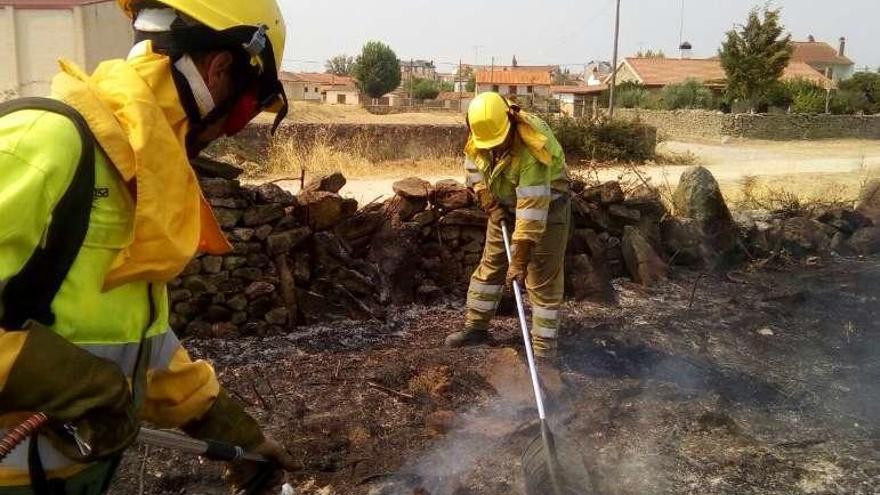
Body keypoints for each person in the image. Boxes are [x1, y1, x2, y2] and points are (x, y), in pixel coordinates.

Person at [0, 1, 296, 493]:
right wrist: (63, 380)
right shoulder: (40, 142)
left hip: (76, 476)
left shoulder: (143, 168)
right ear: (219, 70)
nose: (228, 132)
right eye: (246, 109)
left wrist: (219, 422)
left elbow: (135, 337)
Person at [445, 92, 571, 387]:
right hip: (506, 204)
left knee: (540, 279)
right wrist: (488, 201)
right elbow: (474, 166)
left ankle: (543, 355)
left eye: (499, 141)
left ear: (510, 122)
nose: (495, 147)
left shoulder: (532, 147)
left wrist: (521, 259)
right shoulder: (482, 134)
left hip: (547, 206)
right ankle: (476, 327)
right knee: (491, 266)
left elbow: (532, 213)